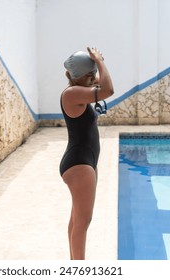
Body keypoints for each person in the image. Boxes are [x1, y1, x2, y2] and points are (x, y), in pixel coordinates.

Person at [59, 47, 114, 260]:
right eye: (91, 75)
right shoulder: (72, 94)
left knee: (76, 219)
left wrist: (97, 65)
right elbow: (108, 90)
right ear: (83, 77)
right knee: (82, 222)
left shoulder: (78, 89)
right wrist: (99, 61)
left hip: (84, 162)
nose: (95, 79)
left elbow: (103, 83)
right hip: (79, 164)